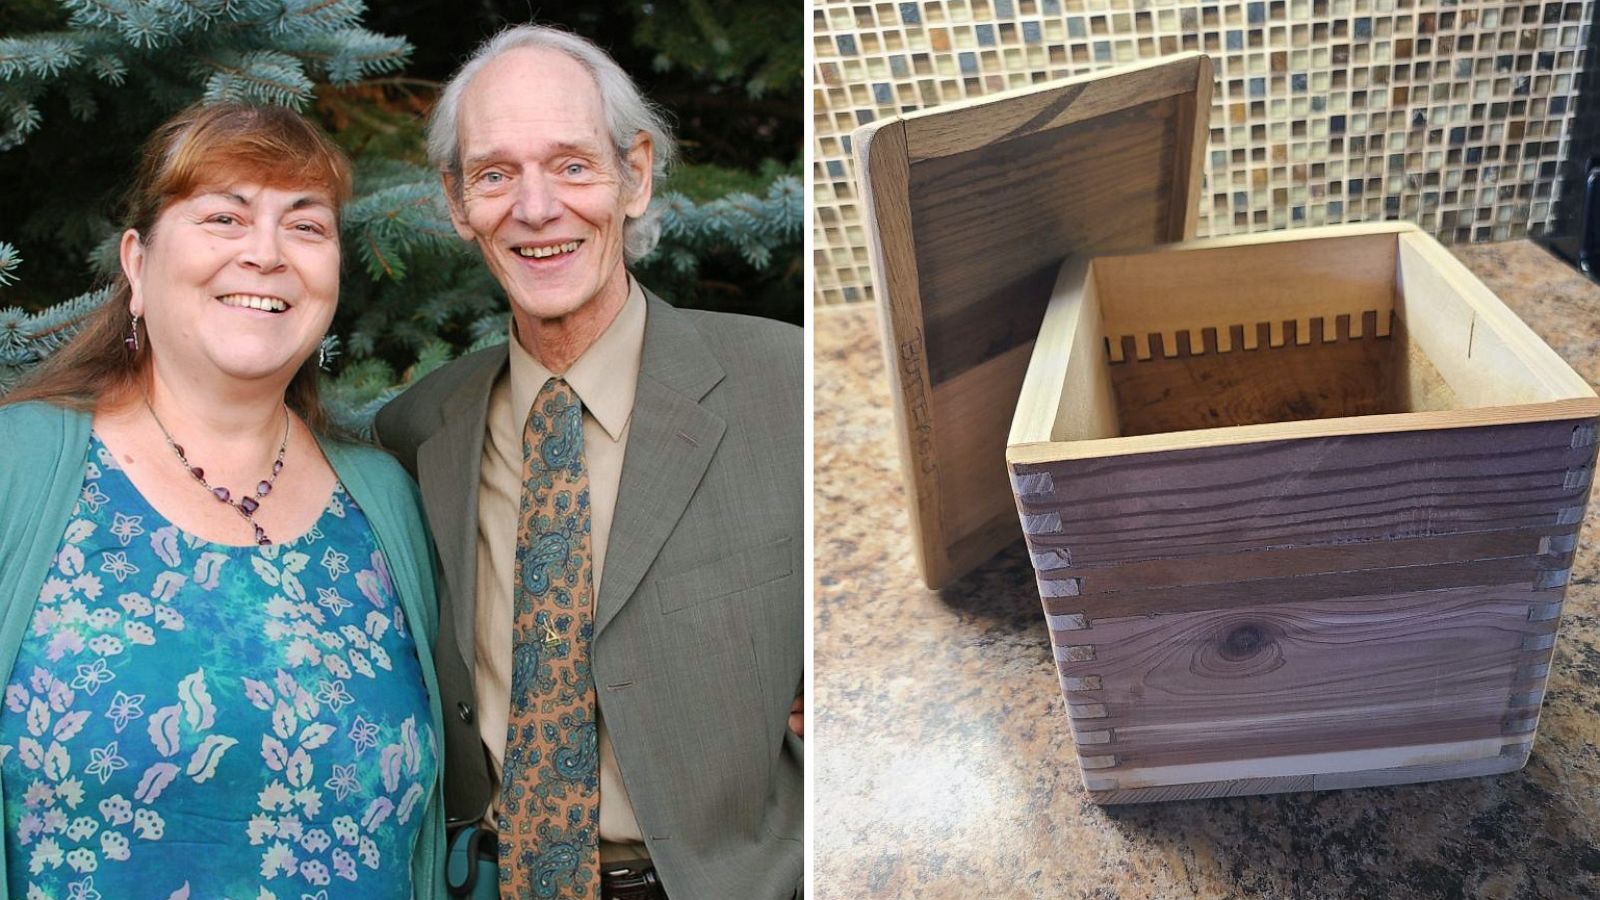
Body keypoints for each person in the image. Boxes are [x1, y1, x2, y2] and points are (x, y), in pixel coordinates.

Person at [373, 24, 803, 900]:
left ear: (635, 175)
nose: (535, 209)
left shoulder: (787, 386)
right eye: (495, 174)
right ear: (459, 204)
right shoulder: (417, 433)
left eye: (572, 164)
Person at [0, 103, 447, 898]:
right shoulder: (19, 467)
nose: (266, 255)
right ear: (137, 264)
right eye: (223, 217)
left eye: (306, 227)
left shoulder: (386, 503)